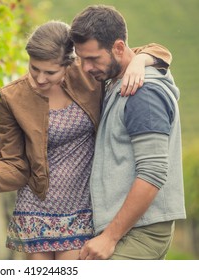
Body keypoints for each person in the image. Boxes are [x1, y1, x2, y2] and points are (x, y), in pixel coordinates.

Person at [0, 20, 172, 260]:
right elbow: (16, 165)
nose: (40, 79)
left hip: (82, 208)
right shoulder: (13, 98)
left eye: (50, 72)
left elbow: (151, 52)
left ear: (70, 63)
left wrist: (140, 62)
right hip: (36, 208)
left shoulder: (89, 74)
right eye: (34, 68)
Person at [69, 5, 186, 260]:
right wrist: (143, 58)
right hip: (130, 228)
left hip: (140, 232)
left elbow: (153, 171)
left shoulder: (143, 94)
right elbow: (153, 51)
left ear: (119, 48)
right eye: (81, 58)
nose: (86, 68)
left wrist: (110, 237)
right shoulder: (119, 78)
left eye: (92, 58)